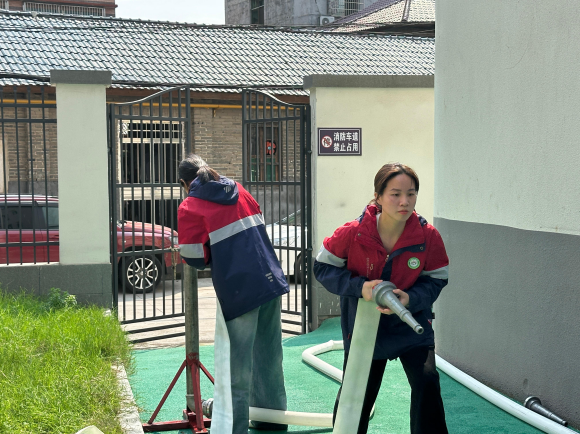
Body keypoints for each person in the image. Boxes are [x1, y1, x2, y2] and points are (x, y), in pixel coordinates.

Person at [313, 162, 449, 434]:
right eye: (395, 194)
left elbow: (437, 278)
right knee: (356, 395)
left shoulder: (427, 236)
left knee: (427, 381)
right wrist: (360, 287)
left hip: (411, 324)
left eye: (411, 194)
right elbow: (322, 267)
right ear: (378, 196)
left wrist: (410, 298)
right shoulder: (354, 232)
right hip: (365, 328)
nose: (404, 201)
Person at [177, 154, 289, 434]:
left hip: (239, 290)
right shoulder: (239, 190)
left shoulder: (190, 205)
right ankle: (271, 421)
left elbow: (193, 256)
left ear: (184, 183)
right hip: (270, 280)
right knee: (269, 358)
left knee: (235, 368)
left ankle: (234, 428)